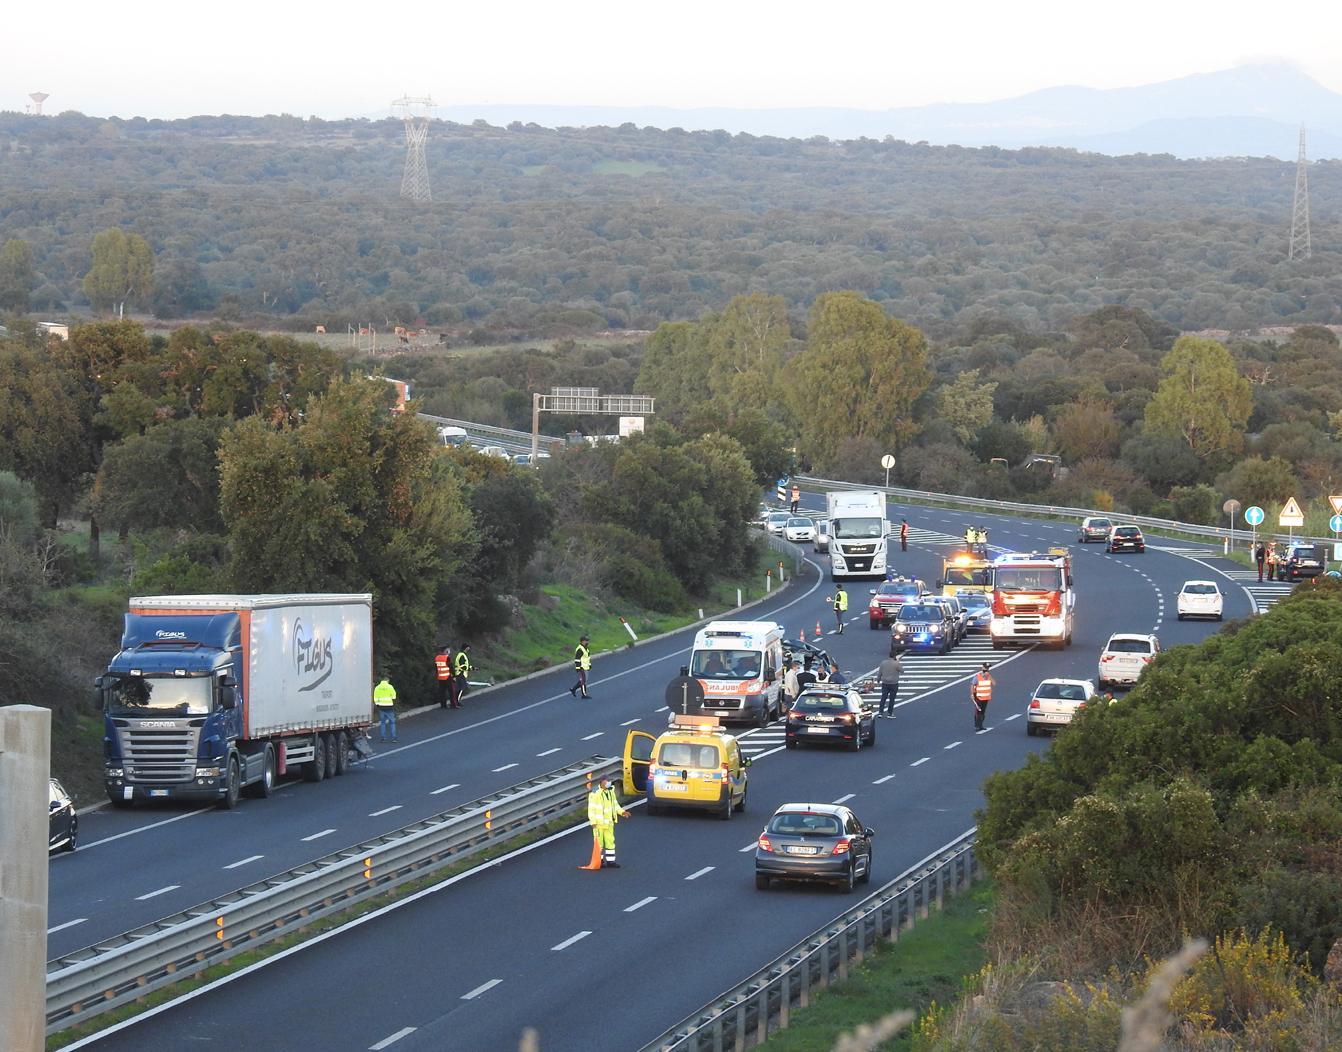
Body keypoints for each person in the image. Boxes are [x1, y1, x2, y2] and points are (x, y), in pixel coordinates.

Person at [587, 774, 630, 869]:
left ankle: (611, 861)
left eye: (609, 780)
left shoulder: (611, 791)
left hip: (609, 822)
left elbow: (615, 805)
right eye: (607, 780)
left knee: (610, 842)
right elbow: (591, 809)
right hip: (598, 824)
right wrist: (593, 822)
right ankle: (600, 861)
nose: (609, 782)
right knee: (599, 844)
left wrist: (622, 812)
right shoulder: (595, 793)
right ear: (602, 781)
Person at [374, 673, 397, 742]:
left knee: (383, 723)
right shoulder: (390, 687)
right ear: (387, 680)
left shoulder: (377, 687)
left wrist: (378, 704)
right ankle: (394, 738)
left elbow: (375, 698)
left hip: (381, 707)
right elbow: (394, 697)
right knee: (392, 722)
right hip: (389, 707)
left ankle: (383, 738)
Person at [970, 663, 994, 731]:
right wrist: (972, 694)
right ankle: (977, 726)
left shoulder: (988, 676)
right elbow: (972, 685)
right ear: (982, 668)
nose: (987, 669)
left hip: (986, 697)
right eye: (986, 667)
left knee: (983, 712)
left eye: (988, 668)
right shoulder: (977, 676)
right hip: (978, 696)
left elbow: (994, 683)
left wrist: (989, 676)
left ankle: (980, 725)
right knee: (978, 711)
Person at [877, 653, 901, 717]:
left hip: (885, 683)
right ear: (894, 656)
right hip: (894, 683)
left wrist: (878, 679)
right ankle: (890, 713)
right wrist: (898, 662)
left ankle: (880, 712)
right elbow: (902, 670)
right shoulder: (896, 663)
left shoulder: (883, 663)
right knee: (892, 699)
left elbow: (880, 672)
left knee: (883, 697)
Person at [433, 643, 454, 709]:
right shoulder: (447, 658)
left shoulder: (437, 658)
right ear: (446, 651)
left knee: (442, 691)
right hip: (447, 677)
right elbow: (451, 668)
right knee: (451, 691)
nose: (449, 651)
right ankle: (453, 704)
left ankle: (443, 705)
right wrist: (454, 676)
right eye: (448, 650)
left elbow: (436, 668)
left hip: (440, 677)